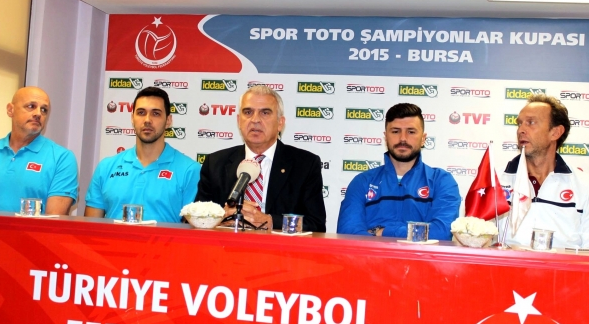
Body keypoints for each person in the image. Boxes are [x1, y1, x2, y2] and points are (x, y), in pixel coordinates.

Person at [195, 85, 326, 232]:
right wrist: (221, 216)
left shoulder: (305, 165)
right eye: (248, 112)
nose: (255, 119)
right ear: (239, 121)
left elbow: (316, 225)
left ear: (280, 123)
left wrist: (270, 221)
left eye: (265, 113)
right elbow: (193, 218)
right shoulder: (215, 163)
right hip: (227, 245)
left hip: (278, 246)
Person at [500, 94, 589, 250]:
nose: (521, 130)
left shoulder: (586, 186)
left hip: (565, 266)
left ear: (556, 132)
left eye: (531, 122)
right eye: (519, 124)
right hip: (508, 266)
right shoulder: (497, 181)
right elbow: (476, 239)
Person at [337, 103, 460, 239]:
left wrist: (385, 232)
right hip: (372, 254)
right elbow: (347, 233)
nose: (403, 139)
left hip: (416, 255)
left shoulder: (441, 181)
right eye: (395, 131)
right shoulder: (362, 182)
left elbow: (442, 232)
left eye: (411, 132)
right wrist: (413, 233)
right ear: (386, 137)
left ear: (423, 139)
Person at [85, 87, 200, 222]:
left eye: (156, 113)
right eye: (141, 113)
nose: (147, 120)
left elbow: (192, 228)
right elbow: (90, 227)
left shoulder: (189, 170)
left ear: (168, 121)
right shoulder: (106, 167)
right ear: (132, 118)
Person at [0, 87, 78, 215]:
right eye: (31, 106)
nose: (38, 113)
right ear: (10, 110)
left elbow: (54, 221)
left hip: (31, 229)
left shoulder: (61, 158)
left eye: (44, 110)